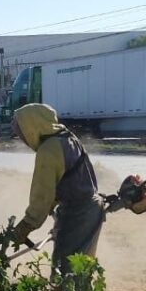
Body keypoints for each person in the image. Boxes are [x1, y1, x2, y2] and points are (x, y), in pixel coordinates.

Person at [10, 103, 104, 275]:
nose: (22, 137)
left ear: (33, 126)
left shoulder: (49, 150)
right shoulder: (67, 137)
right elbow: (67, 179)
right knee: (79, 272)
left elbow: (42, 196)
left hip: (79, 214)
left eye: (21, 130)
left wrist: (26, 226)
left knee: (66, 274)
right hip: (90, 208)